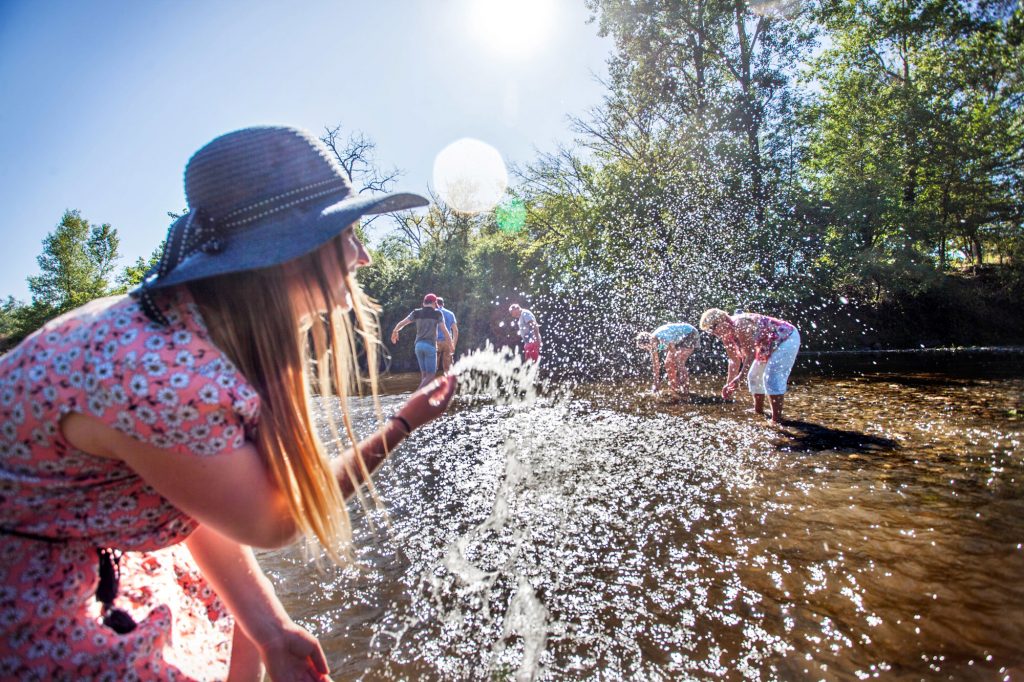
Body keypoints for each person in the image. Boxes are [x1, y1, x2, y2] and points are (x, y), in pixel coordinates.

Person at [0, 125, 458, 680]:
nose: (361, 257)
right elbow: (276, 521)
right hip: (35, 592)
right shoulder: (164, 376)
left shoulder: (189, 324)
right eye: (347, 236)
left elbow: (189, 491)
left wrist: (267, 625)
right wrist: (404, 421)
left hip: (87, 541)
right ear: (289, 255)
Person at [699, 308, 801, 423]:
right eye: (709, 331)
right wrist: (729, 384)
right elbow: (733, 360)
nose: (713, 333)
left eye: (712, 327)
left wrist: (740, 377)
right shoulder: (726, 334)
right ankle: (758, 411)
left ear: (722, 320)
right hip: (767, 344)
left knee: (771, 378)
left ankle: (776, 420)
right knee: (753, 376)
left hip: (786, 338)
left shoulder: (740, 324)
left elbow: (751, 355)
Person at [391, 293, 452, 389]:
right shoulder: (437, 313)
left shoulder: (416, 313)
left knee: (424, 376)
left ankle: (424, 400)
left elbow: (403, 323)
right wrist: (451, 345)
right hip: (430, 346)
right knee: (430, 376)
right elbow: (445, 331)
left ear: (424, 303)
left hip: (418, 346)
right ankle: (415, 398)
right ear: (434, 303)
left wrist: (395, 331)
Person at [635, 322, 701, 397]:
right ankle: (676, 388)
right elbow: (656, 365)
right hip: (679, 339)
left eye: (647, 347)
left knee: (679, 362)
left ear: (650, 340)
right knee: (668, 363)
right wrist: (656, 384)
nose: (648, 349)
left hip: (690, 334)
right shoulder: (654, 344)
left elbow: (674, 353)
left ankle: (685, 389)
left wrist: (680, 373)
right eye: (645, 349)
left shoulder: (662, 337)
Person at [434, 296, 458, 374]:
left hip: (435, 342)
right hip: (448, 342)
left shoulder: (432, 313)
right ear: (443, 304)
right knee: (448, 369)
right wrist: (453, 344)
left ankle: (430, 385)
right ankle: (449, 385)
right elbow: (455, 331)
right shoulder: (450, 313)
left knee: (433, 368)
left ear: (435, 303)